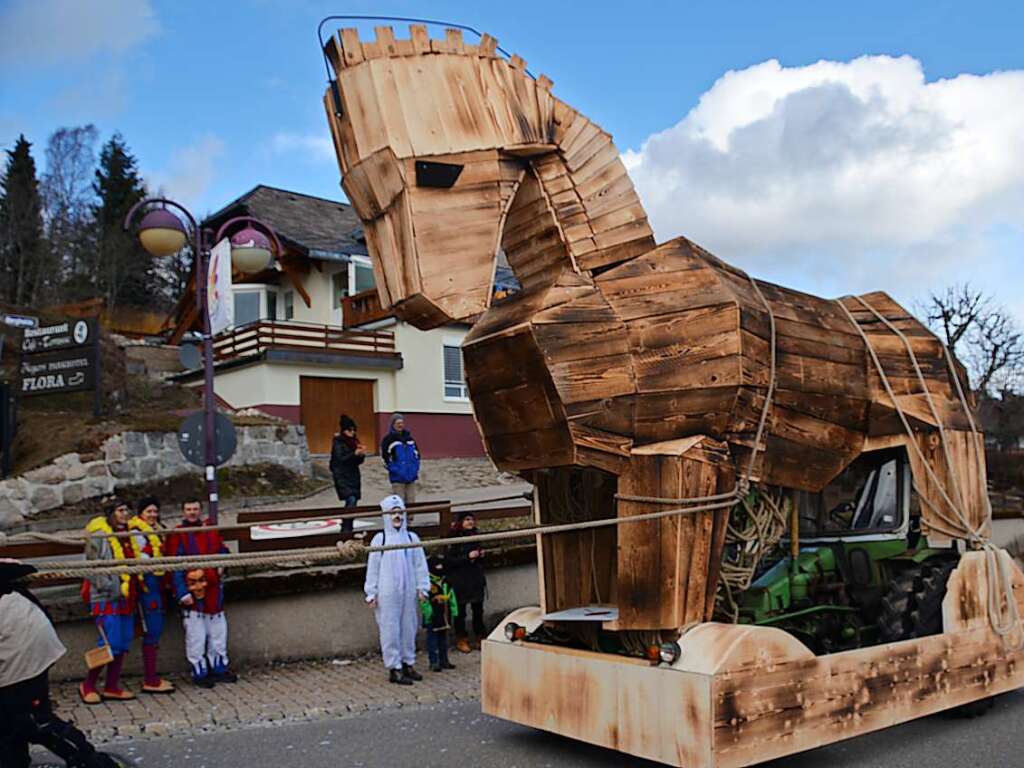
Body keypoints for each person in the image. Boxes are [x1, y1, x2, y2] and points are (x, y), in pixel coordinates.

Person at [1, 559, 122, 767]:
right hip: (16, 636)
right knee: (6, 718)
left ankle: (92, 762)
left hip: (18, 645)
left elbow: (21, 569)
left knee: (33, 720)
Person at [167, 499, 238, 688]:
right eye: (188, 509)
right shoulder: (178, 535)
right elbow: (175, 566)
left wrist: (223, 563)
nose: (192, 513)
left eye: (195, 509)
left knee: (218, 633)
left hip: (213, 591)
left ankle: (219, 668)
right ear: (183, 511)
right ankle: (200, 672)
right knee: (196, 636)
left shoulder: (210, 530)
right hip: (194, 594)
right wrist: (182, 593)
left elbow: (222, 550)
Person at [364, 495, 429, 685]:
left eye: (400, 512)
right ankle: (394, 667)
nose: (397, 516)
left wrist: (422, 588)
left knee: (409, 626)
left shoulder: (411, 538)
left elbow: (420, 565)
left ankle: (408, 662)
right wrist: (371, 592)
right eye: (393, 513)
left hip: (408, 590)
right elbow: (373, 567)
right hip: (388, 592)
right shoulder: (380, 540)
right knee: (390, 628)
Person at [79, 498, 138, 703]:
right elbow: (93, 569)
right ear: (111, 513)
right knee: (109, 643)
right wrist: (111, 587)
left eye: (126, 510)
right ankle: (88, 684)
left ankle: (112, 685)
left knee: (122, 642)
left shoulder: (129, 533)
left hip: (125, 596)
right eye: (120, 510)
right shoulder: (98, 535)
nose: (124, 514)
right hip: (105, 596)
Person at [128, 496, 175, 694]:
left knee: (156, 631)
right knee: (152, 630)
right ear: (141, 513)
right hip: (147, 587)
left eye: (155, 511)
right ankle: (149, 678)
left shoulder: (158, 530)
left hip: (158, 586)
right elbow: (145, 560)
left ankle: (152, 676)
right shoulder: (137, 532)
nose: (153, 515)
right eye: (149, 512)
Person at [446, 511, 487, 654]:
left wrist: (481, 555)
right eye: (467, 520)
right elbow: (449, 561)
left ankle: (480, 636)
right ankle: (461, 638)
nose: (470, 522)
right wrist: (467, 557)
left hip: (475, 578)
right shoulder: (453, 538)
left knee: (478, 610)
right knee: (460, 612)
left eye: (472, 519)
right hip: (460, 580)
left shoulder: (476, 535)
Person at [420, 555, 458, 673]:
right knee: (432, 640)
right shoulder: (427, 583)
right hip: (433, 617)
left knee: (444, 639)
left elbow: (452, 597)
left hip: (445, 615)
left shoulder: (446, 581)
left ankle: (444, 660)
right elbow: (423, 601)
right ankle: (434, 662)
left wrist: (454, 610)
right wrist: (428, 614)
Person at [330, 414, 366, 532]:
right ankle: (346, 526)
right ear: (344, 430)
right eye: (349, 430)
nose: (352, 432)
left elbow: (359, 461)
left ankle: (348, 525)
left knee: (353, 501)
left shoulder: (355, 441)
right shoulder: (338, 442)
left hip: (353, 475)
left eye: (354, 430)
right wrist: (354, 454)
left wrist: (360, 455)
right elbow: (340, 459)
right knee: (350, 499)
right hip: (342, 475)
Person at [380, 413, 420, 504]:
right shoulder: (388, 439)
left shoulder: (409, 439)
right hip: (397, 477)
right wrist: (395, 469)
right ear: (393, 424)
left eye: (401, 423)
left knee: (411, 501)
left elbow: (417, 455)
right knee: (399, 502)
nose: (400, 425)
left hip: (411, 475)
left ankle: (410, 518)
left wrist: (415, 468)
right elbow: (385, 458)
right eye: (398, 423)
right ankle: (401, 519)